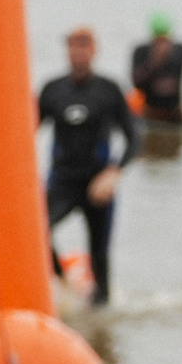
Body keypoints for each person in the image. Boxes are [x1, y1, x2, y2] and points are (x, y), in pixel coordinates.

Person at [37, 27, 137, 309]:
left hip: (98, 185)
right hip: (63, 181)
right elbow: (24, 132)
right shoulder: (53, 90)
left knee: (100, 256)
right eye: (73, 47)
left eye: (84, 47)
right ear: (67, 51)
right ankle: (64, 284)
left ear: (94, 51)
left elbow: (134, 138)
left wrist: (114, 173)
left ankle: (100, 317)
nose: (78, 52)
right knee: (38, 233)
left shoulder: (108, 90)